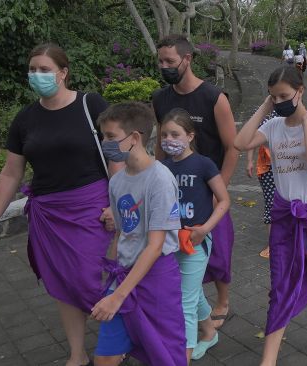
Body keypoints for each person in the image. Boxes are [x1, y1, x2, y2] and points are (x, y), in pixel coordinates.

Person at [0, 43, 115, 366]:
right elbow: (12, 173)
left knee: (91, 278)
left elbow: (115, 155)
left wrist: (117, 204)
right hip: (48, 214)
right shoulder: (25, 118)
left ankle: (116, 341)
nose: (36, 75)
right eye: (33, 69)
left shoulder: (89, 104)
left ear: (63, 73)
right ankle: (77, 354)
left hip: (92, 206)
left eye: (44, 69)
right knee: (63, 284)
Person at [234, 66, 307, 365]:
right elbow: (240, 143)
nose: (279, 101)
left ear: (301, 92)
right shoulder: (272, 126)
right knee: (280, 283)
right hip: (284, 214)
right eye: (274, 97)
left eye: (284, 95)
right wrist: (265, 106)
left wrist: (306, 123)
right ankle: (267, 360)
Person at [153, 34, 238, 328]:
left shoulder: (214, 97)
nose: (165, 66)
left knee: (218, 250)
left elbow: (233, 147)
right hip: (175, 190)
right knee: (179, 249)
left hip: (209, 186)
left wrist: (219, 191)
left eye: (170, 61)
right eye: (161, 61)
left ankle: (223, 300)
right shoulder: (160, 98)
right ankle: (194, 303)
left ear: (187, 59)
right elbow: (160, 146)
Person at [92, 102, 186, 366]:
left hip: (156, 277)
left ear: (134, 138)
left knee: (164, 353)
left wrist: (118, 295)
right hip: (123, 276)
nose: (105, 142)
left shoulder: (160, 179)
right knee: (105, 356)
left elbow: (155, 246)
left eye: (111, 136)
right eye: (103, 136)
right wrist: (109, 276)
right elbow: (121, 234)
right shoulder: (117, 181)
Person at [159, 108, 231, 361]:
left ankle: (182, 357)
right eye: (164, 134)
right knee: (190, 292)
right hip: (170, 243)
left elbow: (223, 201)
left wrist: (205, 230)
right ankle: (210, 333)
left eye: (175, 134)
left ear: (190, 136)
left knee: (184, 303)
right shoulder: (163, 167)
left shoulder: (203, 164)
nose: (169, 139)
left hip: (196, 243)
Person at [245, 110, 279, 259]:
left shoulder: (294, 111)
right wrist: (249, 161)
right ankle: (273, 243)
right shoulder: (262, 113)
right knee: (271, 202)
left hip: (290, 166)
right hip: (267, 166)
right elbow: (252, 136)